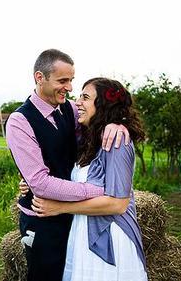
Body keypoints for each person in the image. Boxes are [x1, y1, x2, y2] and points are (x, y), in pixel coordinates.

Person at [5, 49, 129, 281]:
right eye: (63, 80)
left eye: (71, 80)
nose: (70, 88)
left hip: (76, 214)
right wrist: (100, 191)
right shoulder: (19, 122)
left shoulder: (69, 109)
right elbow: (40, 184)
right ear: (39, 78)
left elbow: (99, 120)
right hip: (43, 216)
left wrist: (117, 123)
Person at [28, 78, 148, 280]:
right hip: (83, 230)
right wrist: (33, 182)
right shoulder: (89, 140)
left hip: (110, 236)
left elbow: (118, 204)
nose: (77, 102)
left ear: (103, 105)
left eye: (85, 97)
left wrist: (59, 207)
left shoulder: (118, 142)